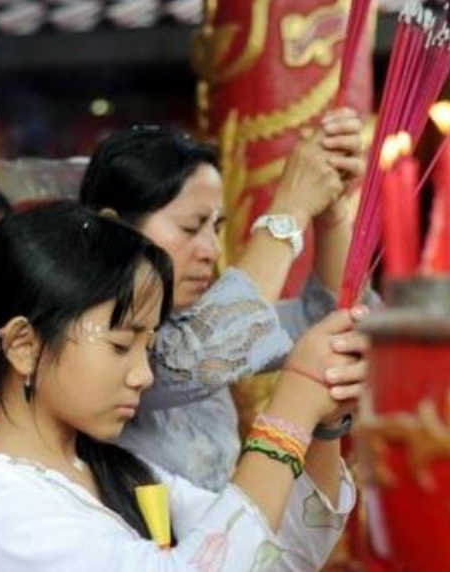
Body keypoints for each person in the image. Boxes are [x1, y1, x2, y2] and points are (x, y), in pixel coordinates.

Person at [0, 202, 367, 571]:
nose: (144, 374)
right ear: (24, 346)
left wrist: (322, 422)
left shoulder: (119, 471)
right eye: (121, 345)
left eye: (148, 347)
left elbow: (280, 554)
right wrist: (290, 406)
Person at [78, 108, 370, 490]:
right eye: (190, 227)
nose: (212, 251)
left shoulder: (190, 321)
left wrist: (331, 212)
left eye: (215, 228)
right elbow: (201, 352)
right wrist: (289, 211)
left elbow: (329, 321)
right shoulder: (92, 333)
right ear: (114, 228)